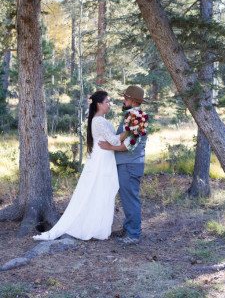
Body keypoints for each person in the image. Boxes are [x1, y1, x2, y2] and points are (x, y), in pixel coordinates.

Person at [33, 90, 127, 241]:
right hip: (101, 160)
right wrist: (130, 131)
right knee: (97, 192)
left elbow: (112, 140)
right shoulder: (98, 121)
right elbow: (115, 141)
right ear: (99, 104)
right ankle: (92, 227)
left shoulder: (99, 120)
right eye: (107, 102)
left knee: (100, 193)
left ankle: (98, 226)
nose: (109, 105)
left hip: (103, 158)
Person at [99, 85, 147, 245]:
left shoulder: (137, 116)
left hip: (129, 164)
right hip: (127, 163)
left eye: (126, 98)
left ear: (133, 101)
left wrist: (109, 147)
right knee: (127, 198)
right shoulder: (132, 115)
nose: (123, 100)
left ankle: (133, 234)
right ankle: (128, 228)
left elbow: (129, 145)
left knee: (130, 199)